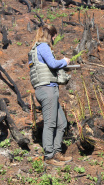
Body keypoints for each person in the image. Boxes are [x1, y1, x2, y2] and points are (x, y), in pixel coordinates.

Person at [28, 24, 72, 166]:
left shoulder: (35, 49)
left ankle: (56, 151)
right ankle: (49, 156)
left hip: (46, 89)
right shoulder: (43, 47)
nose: (54, 39)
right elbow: (53, 64)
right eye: (54, 36)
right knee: (50, 123)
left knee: (62, 123)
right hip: (47, 90)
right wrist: (64, 61)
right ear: (50, 35)